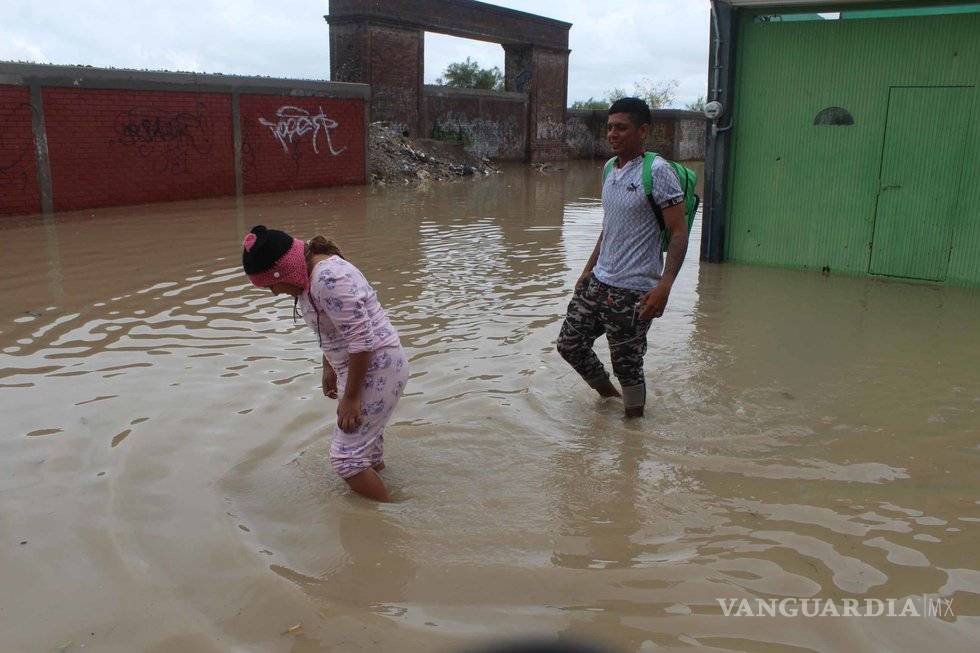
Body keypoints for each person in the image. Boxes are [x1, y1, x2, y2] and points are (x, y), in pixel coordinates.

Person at [241, 225, 408, 501]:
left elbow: (362, 339)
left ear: (283, 271)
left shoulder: (327, 278)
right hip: (367, 366)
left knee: (346, 460)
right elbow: (334, 328)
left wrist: (352, 398)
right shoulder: (311, 277)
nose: (273, 292)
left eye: (270, 284)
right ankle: (383, 495)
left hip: (376, 366)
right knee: (365, 452)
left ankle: (391, 520)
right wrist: (329, 366)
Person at [556, 97, 689, 418]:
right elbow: (609, 227)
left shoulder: (657, 172)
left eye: (621, 128)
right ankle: (609, 398)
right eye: (610, 127)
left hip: (634, 291)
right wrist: (587, 270)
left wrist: (664, 287)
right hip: (599, 282)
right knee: (569, 345)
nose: (613, 134)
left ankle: (633, 437)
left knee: (627, 367)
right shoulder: (608, 169)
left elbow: (679, 232)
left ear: (642, 131)